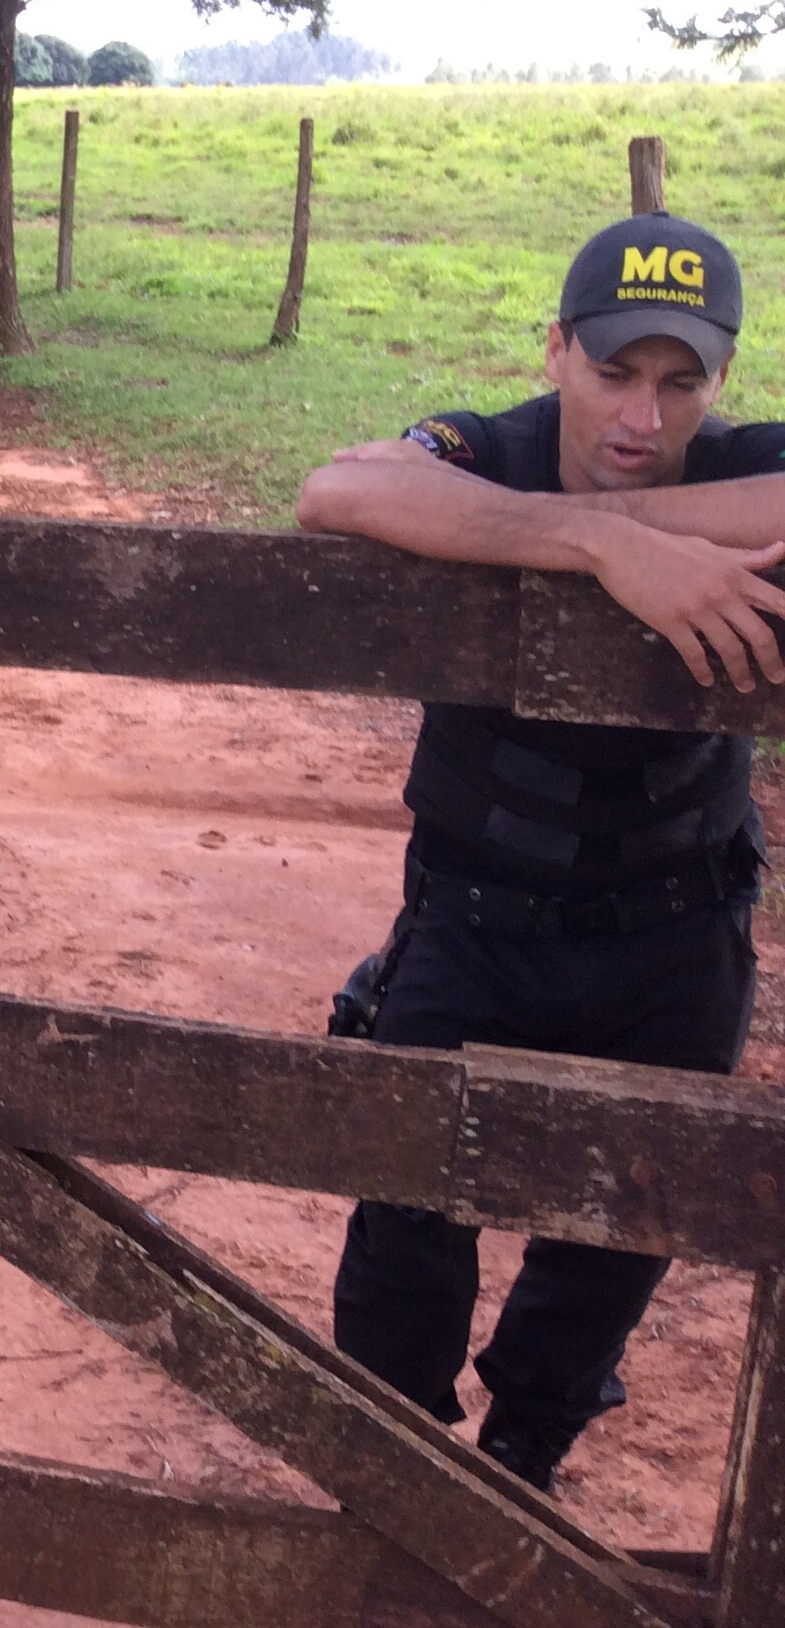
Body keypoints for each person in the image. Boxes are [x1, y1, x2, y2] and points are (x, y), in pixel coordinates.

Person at [298, 211, 784, 1493]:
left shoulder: (742, 463)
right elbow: (340, 487)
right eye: (616, 370)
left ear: (720, 380)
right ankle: (398, 1476)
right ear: (557, 347)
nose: (643, 413)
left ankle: (521, 1458)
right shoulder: (483, 447)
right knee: (405, 1203)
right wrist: (602, 541)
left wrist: (664, 519)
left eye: (681, 382)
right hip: (474, 911)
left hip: (679, 926)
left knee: (629, 1214)